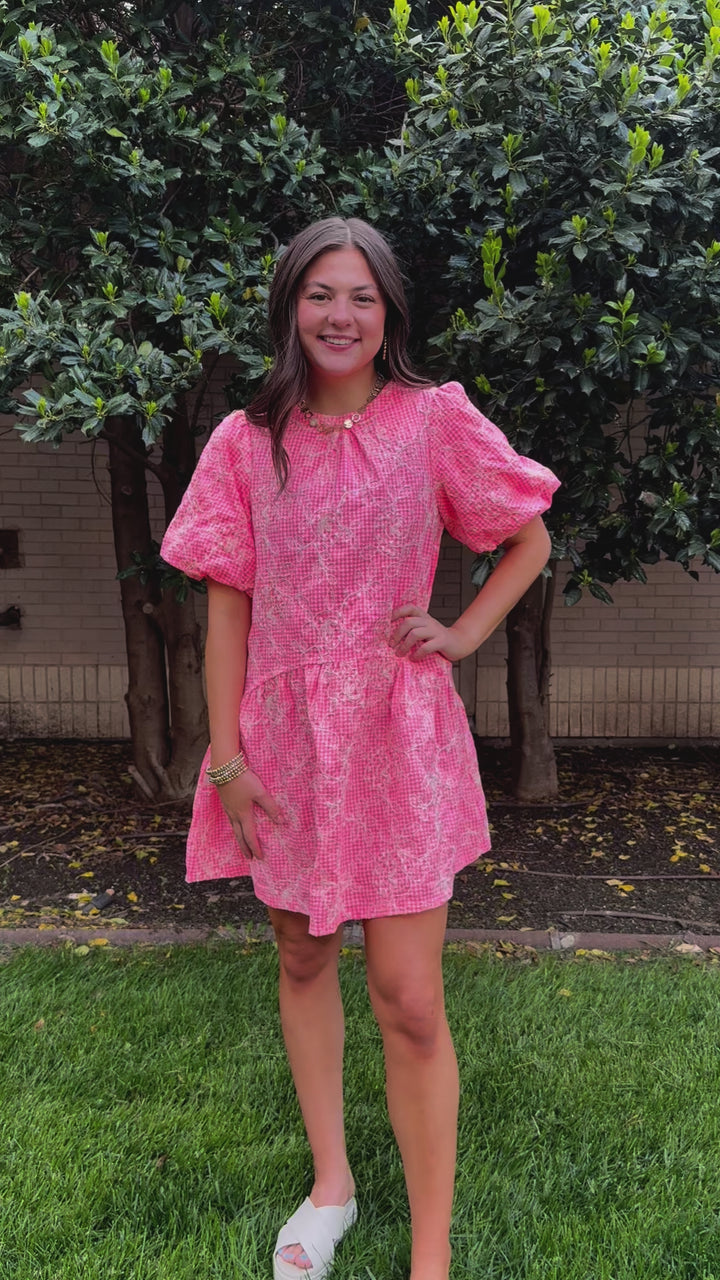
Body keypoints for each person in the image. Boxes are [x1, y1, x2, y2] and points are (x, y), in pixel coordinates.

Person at [161, 216, 559, 1280]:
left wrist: (464, 632)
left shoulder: (435, 419)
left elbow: (528, 532)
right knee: (300, 952)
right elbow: (227, 609)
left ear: (389, 313)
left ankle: (430, 1252)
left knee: (409, 994)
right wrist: (229, 758)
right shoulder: (245, 440)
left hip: (398, 733)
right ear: (291, 307)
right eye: (320, 294)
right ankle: (332, 1181)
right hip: (283, 746)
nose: (341, 315)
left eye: (362, 296)